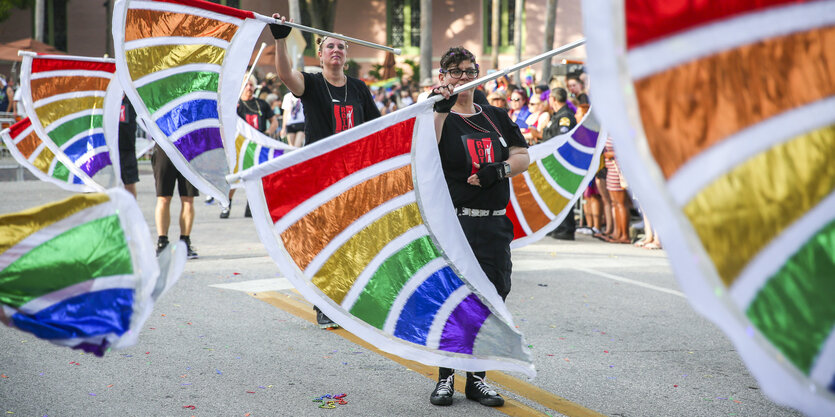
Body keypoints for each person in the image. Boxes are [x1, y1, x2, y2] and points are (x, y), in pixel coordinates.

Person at [429, 46, 530, 408]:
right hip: (455, 223)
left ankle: (477, 378)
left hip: (493, 226)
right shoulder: (437, 114)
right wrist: (438, 109)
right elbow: (427, 149)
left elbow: (522, 156)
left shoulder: (495, 115)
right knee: (453, 298)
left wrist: (497, 170)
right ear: (443, 76)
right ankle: (444, 378)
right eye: (455, 71)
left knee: (491, 298)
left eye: (469, 71)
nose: (464, 78)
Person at [271, 12, 382, 329]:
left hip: (354, 175)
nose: (336, 50)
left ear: (346, 57)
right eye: (330, 46)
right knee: (326, 241)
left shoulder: (359, 88)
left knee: (353, 240)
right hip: (321, 176)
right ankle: (323, 303)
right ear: (320, 55)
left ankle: (349, 299)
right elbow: (285, 75)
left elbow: (377, 128)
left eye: (341, 47)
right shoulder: (312, 82)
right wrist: (280, 39)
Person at [221, 76, 278, 219]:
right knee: (235, 176)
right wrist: (232, 110)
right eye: (246, 85)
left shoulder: (262, 104)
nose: (249, 88)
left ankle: (250, 207)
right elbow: (225, 123)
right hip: (240, 147)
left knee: (256, 178)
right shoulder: (236, 105)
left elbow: (274, 121)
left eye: (251, 85)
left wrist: (268, 133)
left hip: (257, 147)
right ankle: (227, 205)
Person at [541, 87, 578, 240]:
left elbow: (561, 138)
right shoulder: (556, 116)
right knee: (554, 195)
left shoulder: (565, 117)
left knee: (563, 194)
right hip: (552, 160)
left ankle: (567, 228)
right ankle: (557, 226)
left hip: (563, 161)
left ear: (553, 99)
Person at [152, 144, 198, 259]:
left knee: (188, 199)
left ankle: (185, 242)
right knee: (163, 198)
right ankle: (162, 242)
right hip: (165, 147)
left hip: (188, 149)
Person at [118, 96, 139, 197]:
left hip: (127, 149)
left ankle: (131, 211)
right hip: (108, 149)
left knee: (129, 185)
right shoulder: (105, 98)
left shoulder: (131, 97)